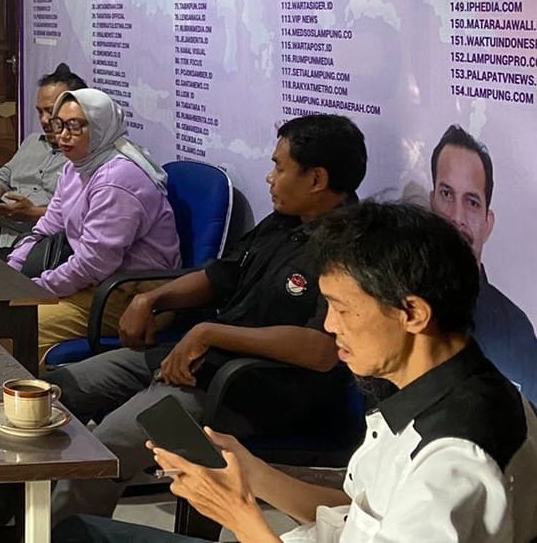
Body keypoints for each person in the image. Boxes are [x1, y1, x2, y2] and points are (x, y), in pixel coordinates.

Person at [57, 202, 537, 542]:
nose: (329, 326)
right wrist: (252, 473)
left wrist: (240, 518)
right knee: (78, 532)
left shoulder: (455, 459)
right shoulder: (430, 390)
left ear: (412, 313)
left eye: (342, 309)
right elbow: (361, 517)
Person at [42, 113, 364, 526]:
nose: (270, 179)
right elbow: (219, 276)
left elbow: (320, 351)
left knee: (106, 446)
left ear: (316, 179)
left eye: (280, 168)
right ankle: (10, 516)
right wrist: (151, 299)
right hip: (201, 360)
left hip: (249, 390)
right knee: (57, 391)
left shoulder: (351, 248)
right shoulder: (283, 222)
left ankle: (63, 533)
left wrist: (209, 333)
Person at [7, 87, 180, 356]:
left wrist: (35, 289)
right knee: (2, 313)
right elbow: (47, 228)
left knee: (16, 327)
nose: (64, 135)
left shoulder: (117, 179)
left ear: (100, 127)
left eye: (75, 126)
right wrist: (10, 274)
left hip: (128, 294)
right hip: (94, 283)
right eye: (59, 124)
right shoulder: (75, 167)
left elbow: (94, 263)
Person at [429, 124, 537, 400]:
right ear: (431, 203)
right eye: (446, 194)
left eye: (472, 202)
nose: (457, 217)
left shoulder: (517, 331)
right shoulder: (395, 302)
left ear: (488, 224)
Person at [0, 63, 88, 251]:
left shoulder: (86, 159)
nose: (44, 120)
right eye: (40, 112)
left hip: (38, 245)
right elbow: (4, 176)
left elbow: (83, 216)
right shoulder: (32, 141)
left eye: (51, 111)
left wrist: (33, 213)